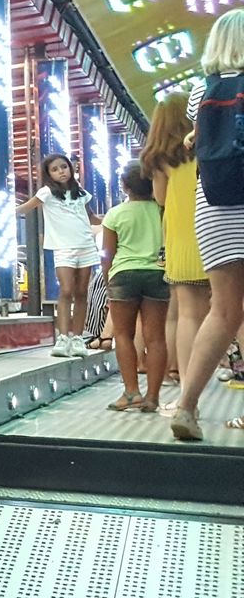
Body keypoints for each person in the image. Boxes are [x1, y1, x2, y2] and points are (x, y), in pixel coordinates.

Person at [174, 8, 244, 440]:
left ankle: (186, 407)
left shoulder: (201, 90)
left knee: (223, 310)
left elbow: (202, 141)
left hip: (215, 206)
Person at [142, 91, 206, 395]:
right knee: (234, 311)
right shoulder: (207, 144)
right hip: (219, 231)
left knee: (187, 314)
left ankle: (188, 397)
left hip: (181, 237)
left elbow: (161, 199)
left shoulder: (161, 158)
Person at [101, 163, 170, 412]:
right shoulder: (162, 210)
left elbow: (107, 254)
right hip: (158, 273)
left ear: (124, 186)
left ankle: (131, 393)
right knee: (156, 337)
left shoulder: (115, 214)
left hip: (124, 275)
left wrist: (108, 280)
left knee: (123, 335)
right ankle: (152, 397)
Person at [17, 154, 99, 357]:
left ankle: (77, 339)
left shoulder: (81, 193)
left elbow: (91, 218)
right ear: (48, 174)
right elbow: (26, 207)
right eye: (55, 169)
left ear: (70, 168)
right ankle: (63, 338)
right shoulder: (46, 193)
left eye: (64, 167)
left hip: (86, 246)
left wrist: (114, 218)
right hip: (63, 248)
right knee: (66, 290)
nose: (61, 171)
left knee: (82, 293)